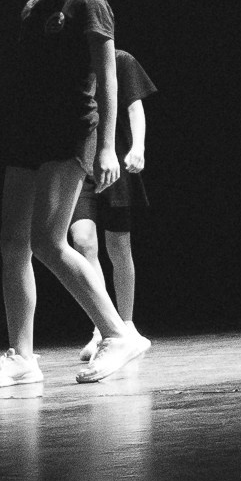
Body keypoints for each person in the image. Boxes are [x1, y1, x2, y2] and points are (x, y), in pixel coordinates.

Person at [0, 0, 150, 388]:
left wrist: (108, 146)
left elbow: (109, 78)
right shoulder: (33, 7)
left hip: (71, 131)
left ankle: (118, 334)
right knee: (13, 243)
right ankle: (21, 356)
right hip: (27, 133)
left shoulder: (88, 1)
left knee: (49, 241)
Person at [71, 46, 158, 366]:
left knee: (119, 246)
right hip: (79, 168)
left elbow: (135, 109)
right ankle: (103, 326)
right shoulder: (70, 65)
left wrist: (138, 147)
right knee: (82, 242)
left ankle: (127, 324)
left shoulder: (121, 61)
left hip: (115, 164)